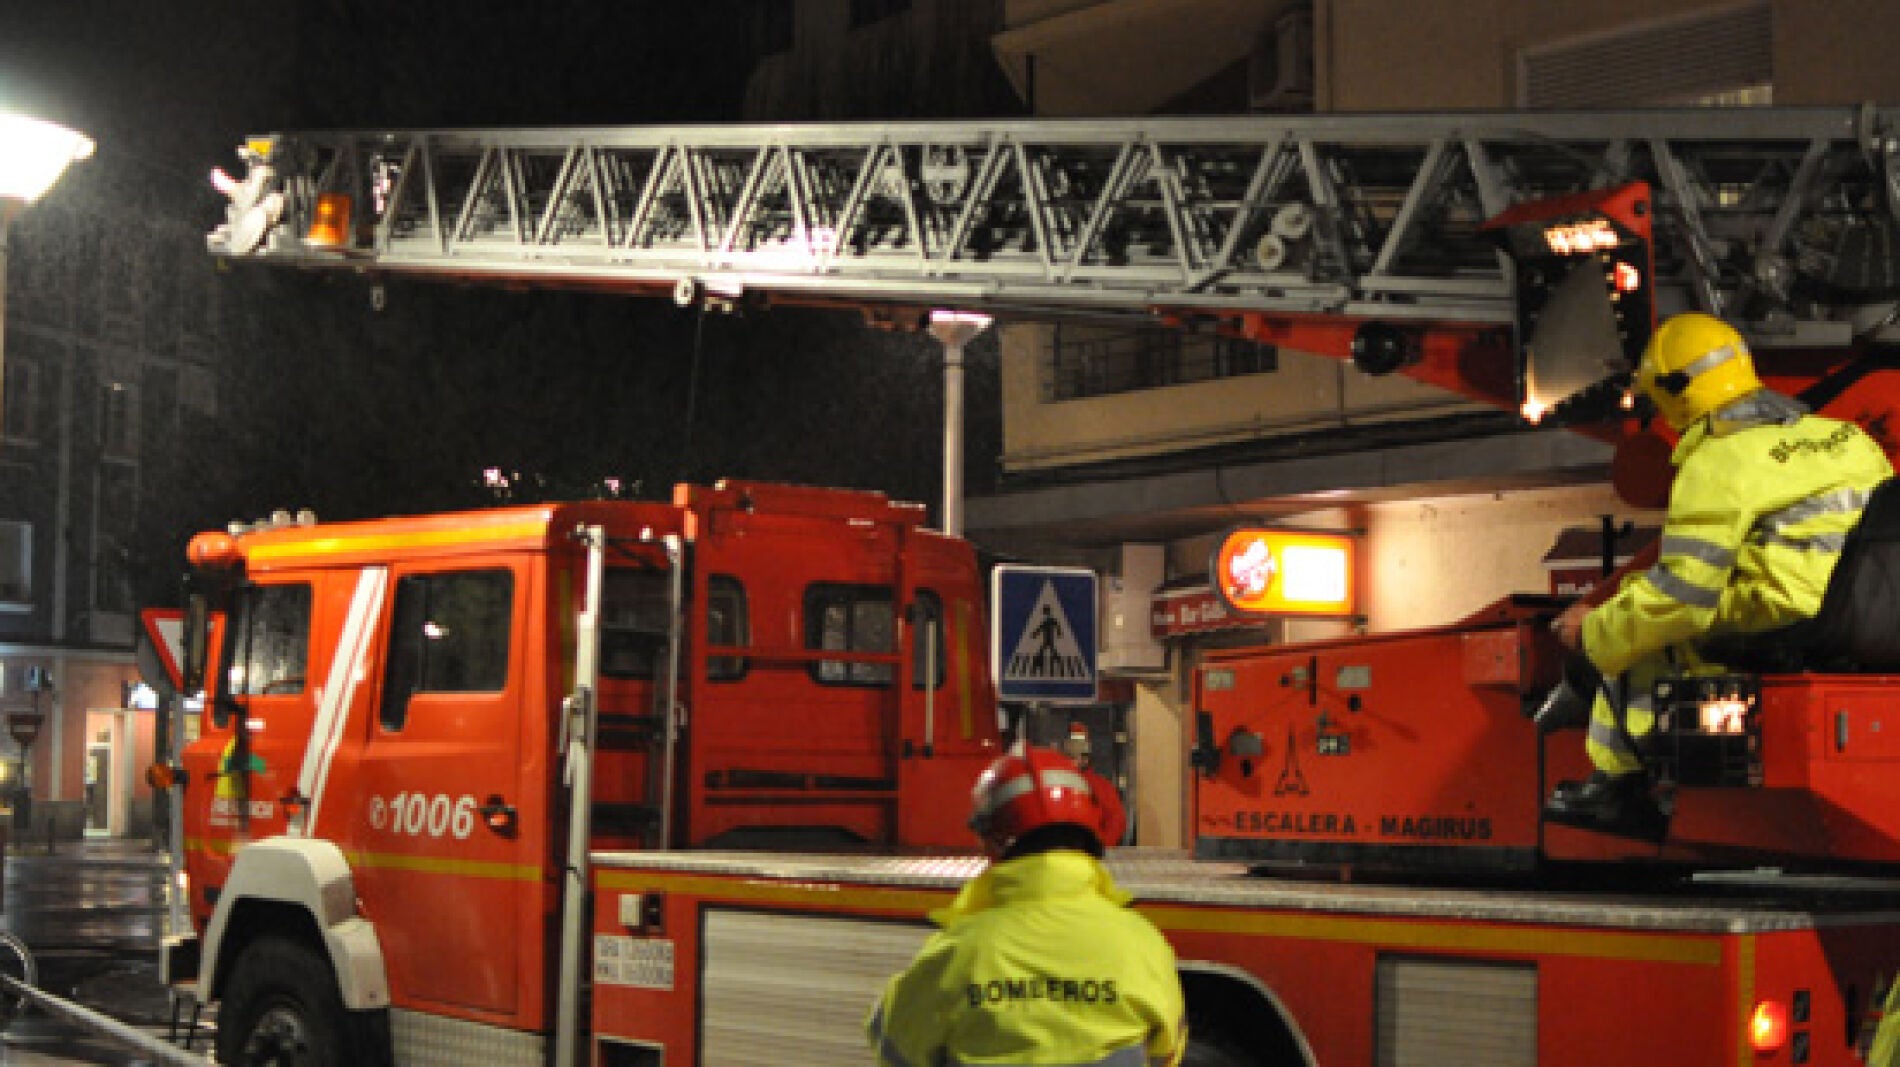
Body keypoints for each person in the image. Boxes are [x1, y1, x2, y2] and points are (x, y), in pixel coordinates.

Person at [1545, 311, 1892, 825]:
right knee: (1650, 604)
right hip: (1870, 612)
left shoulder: (1719, 459)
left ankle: (1617, 785)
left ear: (1672, 392)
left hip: (1790, 613)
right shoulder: (1845, 439)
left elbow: (1682, 598)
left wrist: (1592, 634)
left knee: (1643, 626)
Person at [866, 745, 1187, 1067]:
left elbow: (896, 1046)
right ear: (1093, 832)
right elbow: (1166, 1050)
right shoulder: (1141, 943)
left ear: (989, 841)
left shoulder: (957, 953)